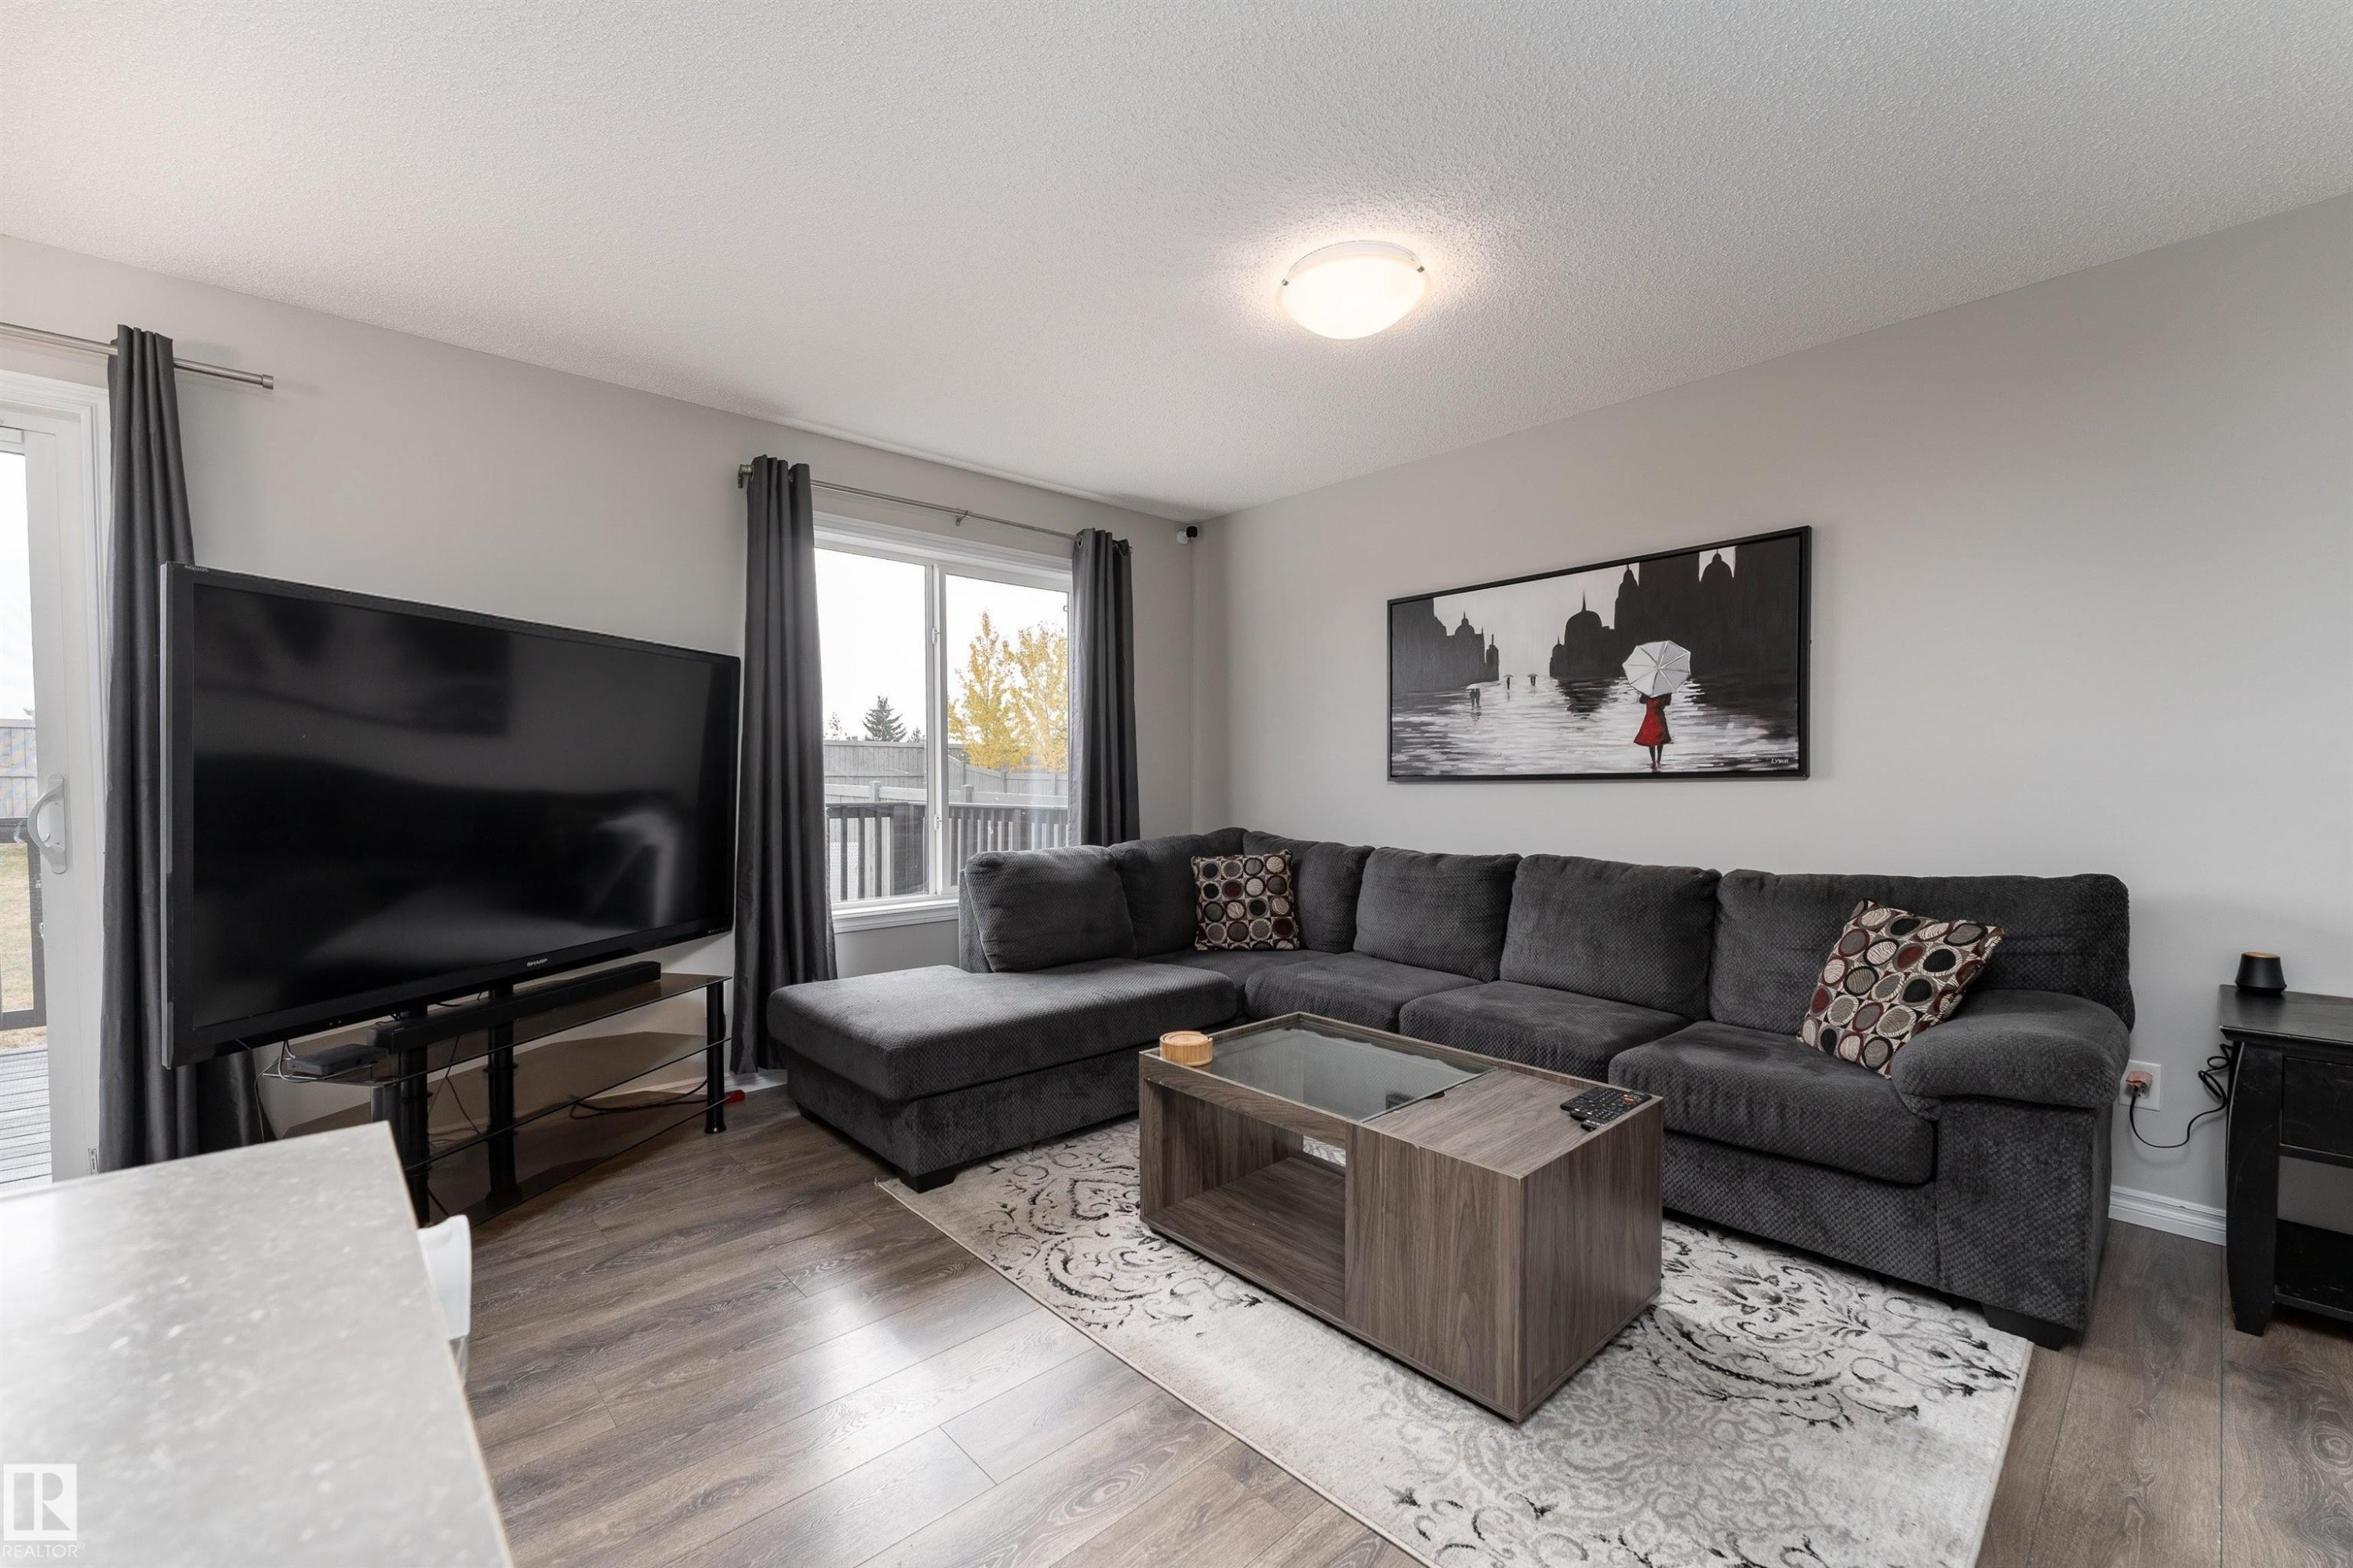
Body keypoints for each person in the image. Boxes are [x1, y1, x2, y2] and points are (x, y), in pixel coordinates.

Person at [1634, 689, 1673, 772]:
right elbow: (1668, 703)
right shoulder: (1663, 691)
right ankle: (1658, 760)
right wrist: (1669, 694)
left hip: (1650, 718)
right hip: (1659, 718)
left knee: (1652, 740)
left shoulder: (1648, 691)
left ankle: (1654, 761)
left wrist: (1643, 692)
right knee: (1660, 739)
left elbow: (1642, 701)